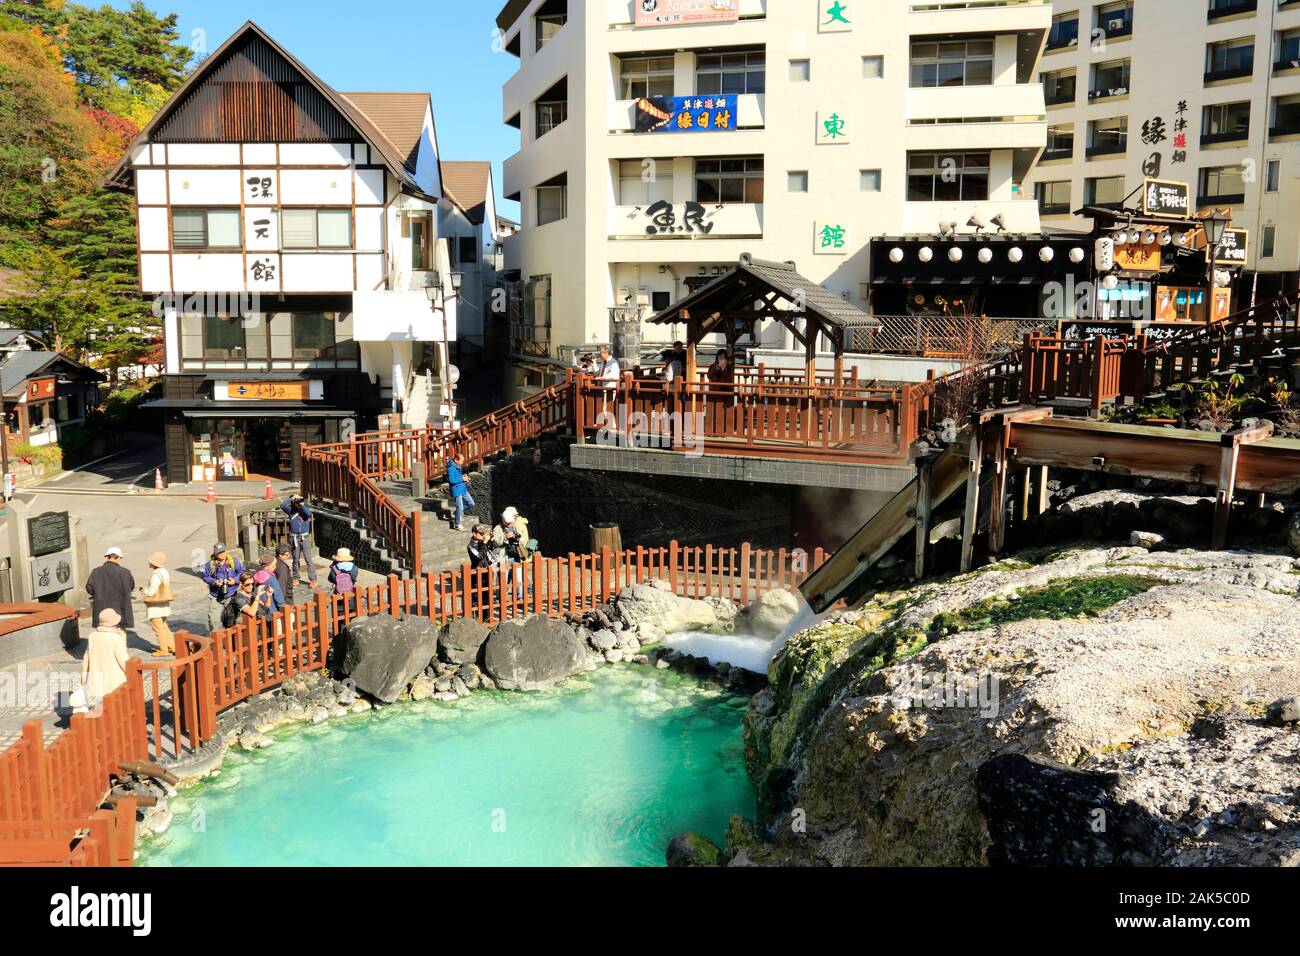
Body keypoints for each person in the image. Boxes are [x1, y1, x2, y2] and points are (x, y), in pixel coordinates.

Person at [76, 609, 128, 715]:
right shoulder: (115, 638)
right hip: (115, 681)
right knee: (116, 709)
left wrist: (84, 676)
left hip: (97, 679)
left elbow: (86, 658)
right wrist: (132, 673)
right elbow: (124, 660)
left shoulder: (93, 636)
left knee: (101, 709)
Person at [85, 547, 135, 631]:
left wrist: (98, 593)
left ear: (106, 557)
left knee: (103, 634)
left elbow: (89, 587)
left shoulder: (96, 571)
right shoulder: (125, 572)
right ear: (119, 557)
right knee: (120, 634)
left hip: (101, 609)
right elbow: (131, 586)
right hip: (121, 608)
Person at [139, 551, 174, 658]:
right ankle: (172, 646)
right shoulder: (164, 572)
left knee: (158, 628)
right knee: (164, 627)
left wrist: (144, 591)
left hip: (155, 606)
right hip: (164, 603)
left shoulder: (156, 574)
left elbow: (152, 591)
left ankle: (164, 650)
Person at [203, 543, 244, 632]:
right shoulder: (210, 564)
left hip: (231, 595)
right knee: (213, 621)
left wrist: (235, 580)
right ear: (215, 554)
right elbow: (205, 577)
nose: (221, 554)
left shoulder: (233, 561)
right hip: (215, 596)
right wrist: (214, 582)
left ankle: (233, 641)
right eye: (219, 552)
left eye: (223, 551)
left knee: (232, 620)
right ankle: (215, 642)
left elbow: (242, 572)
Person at [281, 494, 317, 588]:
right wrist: (291, 498)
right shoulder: (291, 511)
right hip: (294, 538)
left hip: (304, 538)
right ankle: (295, 577)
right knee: (295, 559)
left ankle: (313, 579)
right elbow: (283, 505)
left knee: (308, 559)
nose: (297, 502)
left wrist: (301, 504)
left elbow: (308, 513)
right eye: (296, 501)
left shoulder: (305, 510)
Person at [447, 453, 475, 532]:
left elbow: (458, 477)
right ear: (456, 460)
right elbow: (452, 480)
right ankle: (457, 524)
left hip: (462, 488)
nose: (462, 462)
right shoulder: (451, 468)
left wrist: (463, 477)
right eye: (461, 461)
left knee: (471, 503)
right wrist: (462, 479)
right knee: (460, 507)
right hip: (456, 490)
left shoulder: (458, 466)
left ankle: (456, 513)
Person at [253, 552, 285, 618]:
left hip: (259, 610)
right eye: (274, 565)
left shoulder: (255, 576)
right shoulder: (271, 579)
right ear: (270, 567)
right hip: (271, 611)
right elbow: (278, 597)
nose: (275, 567)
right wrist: (283, 607)